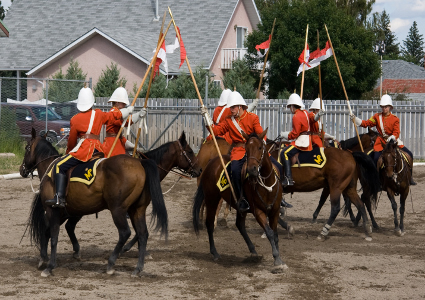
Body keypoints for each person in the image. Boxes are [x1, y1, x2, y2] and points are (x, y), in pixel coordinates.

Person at [45, 87, 135, 208]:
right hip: (99, 149)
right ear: (92, 102)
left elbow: (72, 141)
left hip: (84, 150)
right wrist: (128, 110)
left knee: (59, 166)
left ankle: (59, 198)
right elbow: (113, 116)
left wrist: (68, 153)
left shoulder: (75, 119)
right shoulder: (98, 113)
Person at [201, 91, 264, 212]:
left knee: (274, 164)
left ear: (240, 106)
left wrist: (262, 142)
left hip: (253, 149)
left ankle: (279, 195)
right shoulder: (229, 121)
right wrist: (206, 118)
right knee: (235, 170)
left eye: (233, 107)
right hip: (239, 150)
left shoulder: (252, 117)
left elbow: (260, 133)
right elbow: (216, 131)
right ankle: (241, 199)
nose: (231, 109)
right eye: (230, 107)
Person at [350, 94, 416, 185]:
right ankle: (377, 180)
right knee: (376, 158)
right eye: (383, 107)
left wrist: (392, 137)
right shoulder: (377, 117)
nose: (384, 108)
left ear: (390, 107)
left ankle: (410, 178)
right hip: (381, 142)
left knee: (410, 154)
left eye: (386, 107)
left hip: (393, 141)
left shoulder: (395, 119)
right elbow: (366, 123)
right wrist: (356, 119)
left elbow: (396, 132)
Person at [279, 93, 313, 186]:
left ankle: (288, 178)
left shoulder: (296, 116)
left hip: (301, 141)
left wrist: (286, 135)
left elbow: (295, 134)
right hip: (307, 138)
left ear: (293, 106)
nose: (290, 109)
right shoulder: (305, 112)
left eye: (290, 106)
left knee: (284, 153)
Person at [102, 87, 146, 156]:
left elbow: (119, 132)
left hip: (118, 142)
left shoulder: (117, 112)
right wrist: (138, 115)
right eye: (123, 103)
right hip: (112, 145)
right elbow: (124, 121)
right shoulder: (114, 113)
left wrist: (126, 142)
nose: (125, 105)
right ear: (117, 102)